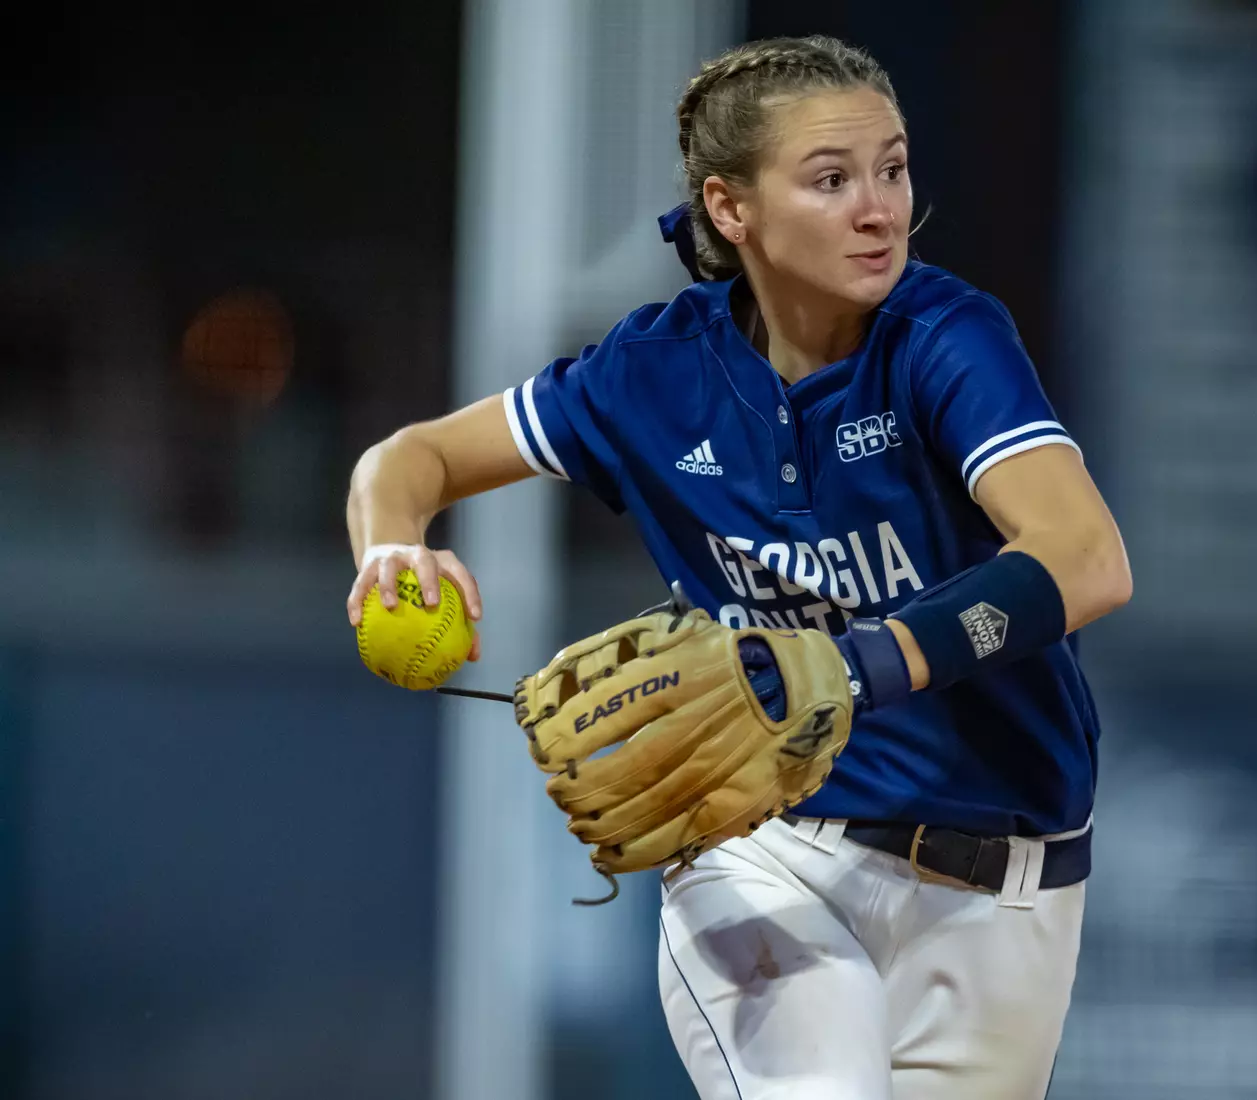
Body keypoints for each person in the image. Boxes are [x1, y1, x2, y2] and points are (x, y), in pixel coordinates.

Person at [345, 35, 1131, 1100]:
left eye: (893, 169)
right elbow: (412, 457)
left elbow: (1086, 560)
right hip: (767, 852)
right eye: (831, 179)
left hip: (1006, 885)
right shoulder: (654, 372)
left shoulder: (944, 338)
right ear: (730, 208)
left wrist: (857, 665)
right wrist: (393, 540)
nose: (879, 210)